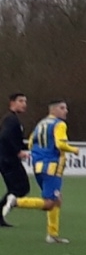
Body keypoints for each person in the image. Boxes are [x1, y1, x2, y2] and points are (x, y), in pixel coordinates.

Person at [2, 100, 79, 243]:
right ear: (53, 110)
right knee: (50, 202)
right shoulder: (59, 124)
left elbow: (31, 142)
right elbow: (60, 144)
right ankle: (16, 201)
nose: (66, 111)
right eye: (62, 108)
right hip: (52, 168)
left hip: (39, 167)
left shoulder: (41, 124)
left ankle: (52, 235)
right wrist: (74, 150)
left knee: (56, 200)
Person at [0, 93, 30, 227]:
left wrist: (31, 146)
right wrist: (18, 151)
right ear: (12, 103)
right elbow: (5, 137)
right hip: (8, 160)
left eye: (25, 101)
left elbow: (15, 140)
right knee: (21, 188)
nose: (24, 104)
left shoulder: (13, 119)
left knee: (17, 188)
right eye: (21, 101)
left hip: (8, 159)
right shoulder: (11, 120)